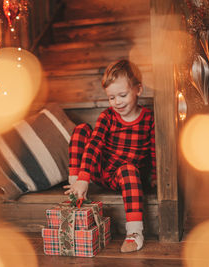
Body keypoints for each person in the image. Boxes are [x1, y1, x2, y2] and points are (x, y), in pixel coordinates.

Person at [63, 59, 157, 253]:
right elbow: (94, 145)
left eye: (122, 95)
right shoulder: (107, 117)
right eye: (111, 97)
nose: (117, 102)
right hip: (100, 171)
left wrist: (156, 177)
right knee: (81, 129)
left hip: (124, 177)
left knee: (129, 169)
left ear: (138, 90)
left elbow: (155, 150)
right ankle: (75, 187)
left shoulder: (148, 119)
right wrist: (83, 178)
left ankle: (134, 232)